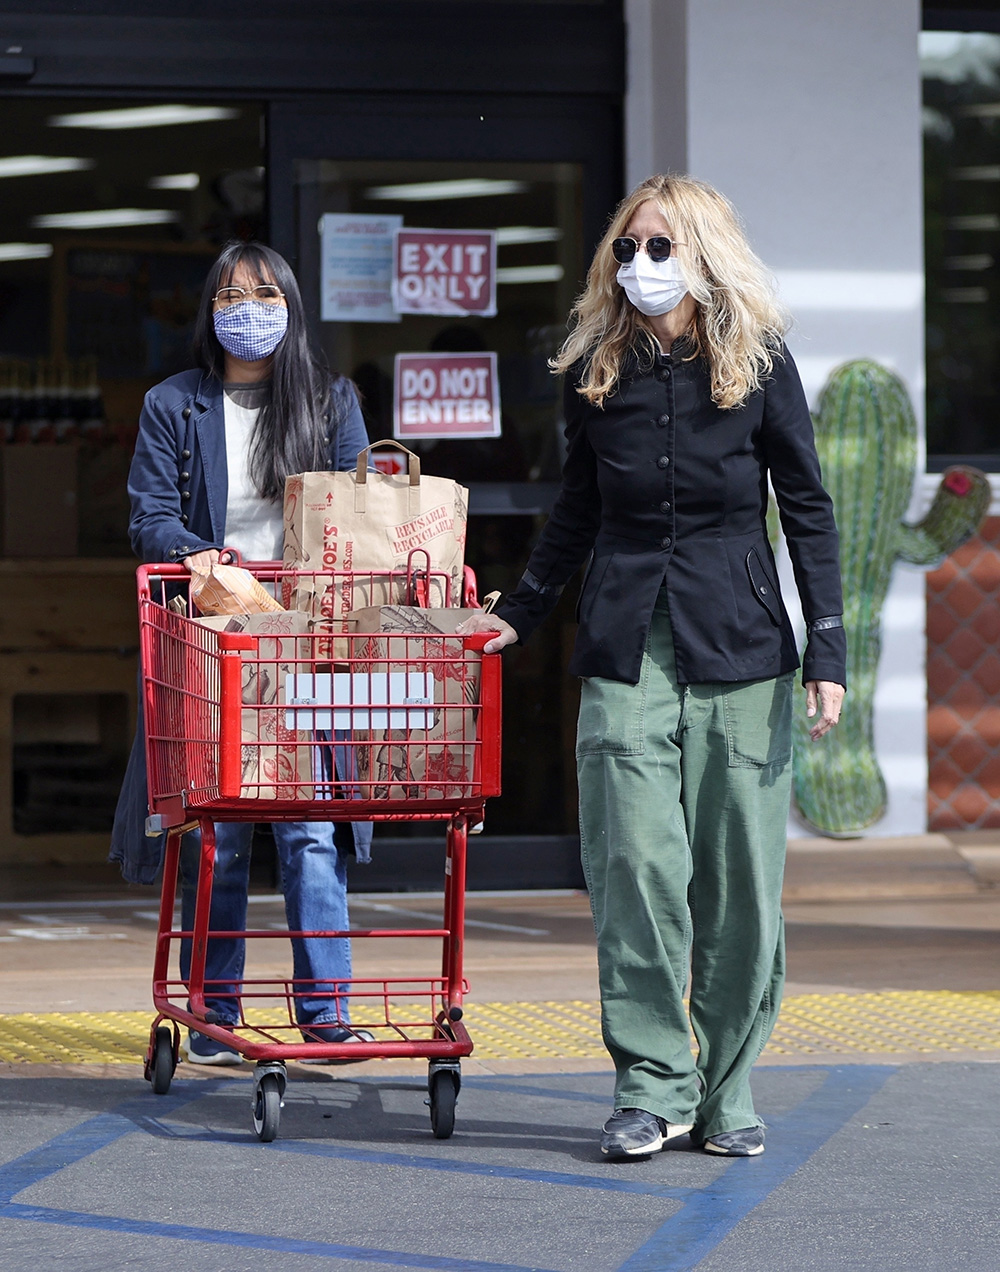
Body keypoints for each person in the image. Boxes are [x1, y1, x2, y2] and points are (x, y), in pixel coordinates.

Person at [458, 175, 846, 1158]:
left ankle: (725, 1090)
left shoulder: (758, 363)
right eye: (629, 247)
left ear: (706, 255)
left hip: (742, 645)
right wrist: (524, 610)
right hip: (626, 644)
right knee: (631, 860)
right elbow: (578, 507)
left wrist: (827, 652)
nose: (641, 264)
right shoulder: (594, 365)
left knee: (736, 877)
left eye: (662, 247)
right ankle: (651, 1083)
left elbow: (805, 507)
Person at [111, 240, 373, 1064]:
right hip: (213, 642)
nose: (245, 309)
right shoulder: (173, 404)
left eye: (262, 293)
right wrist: (198, 553)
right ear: (210, 311)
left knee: (309, 832)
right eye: (229, 295)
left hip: (304, 646)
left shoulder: (331, 403)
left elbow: (359, 515)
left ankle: (325, 1015)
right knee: (218, 831)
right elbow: (147, 514)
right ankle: (216, 1008)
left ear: (290, 306)